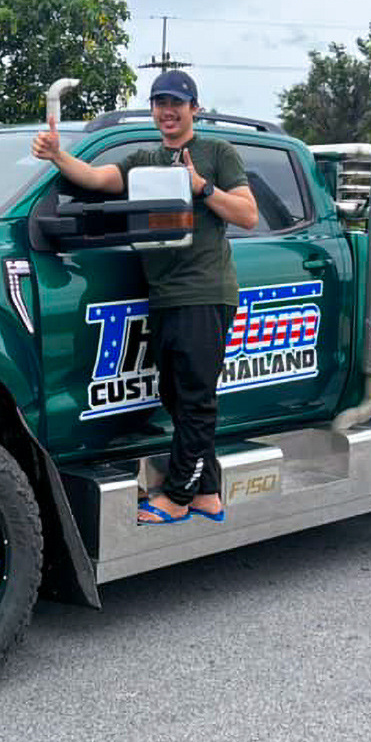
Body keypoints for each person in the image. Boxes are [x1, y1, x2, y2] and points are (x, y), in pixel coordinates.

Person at [32, 69, 258, 525]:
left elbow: (249, 214)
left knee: (194, 399)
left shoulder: (217, 152)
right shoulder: (144, 159)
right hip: (165, 295)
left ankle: (177, 498)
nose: (167, 110)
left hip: (204, 292)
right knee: (176, 396)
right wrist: (58, 157)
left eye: (177, 102)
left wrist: (203, 189)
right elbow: (96, 179)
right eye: (160, 102)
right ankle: (208, 492)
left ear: (193, 108)